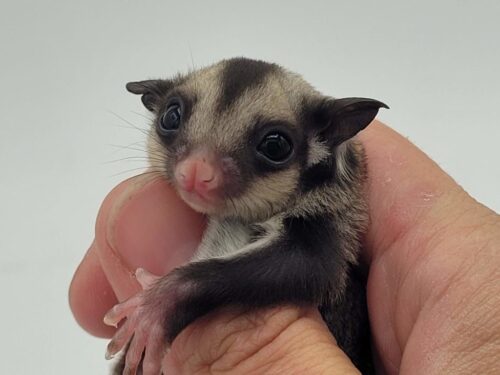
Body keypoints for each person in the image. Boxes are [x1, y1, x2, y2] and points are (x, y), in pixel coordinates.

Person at [69, 122, 500, 374]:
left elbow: (306, 268)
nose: (196, 171)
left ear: (321, 145)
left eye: (272, 147)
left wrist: (177, 291)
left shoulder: (319, 216)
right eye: (175, 118)